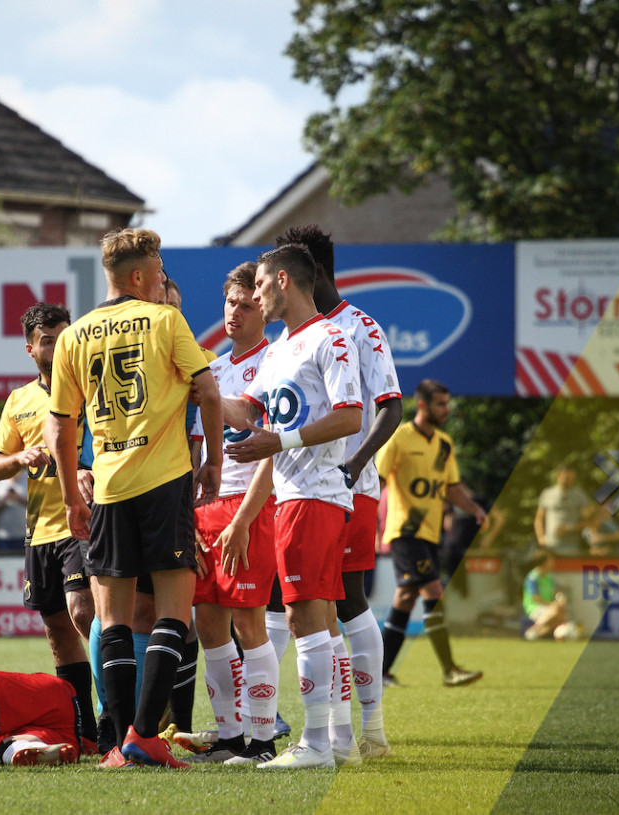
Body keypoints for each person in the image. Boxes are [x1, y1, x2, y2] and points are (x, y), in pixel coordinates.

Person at [44, 227, 223, 769]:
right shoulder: (167, 319)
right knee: (174, 612)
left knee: (112, 620)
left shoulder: (75, 335)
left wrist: (71, 486)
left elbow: (59, 425)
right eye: (160, 268)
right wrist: (212, 460)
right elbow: (208, 391)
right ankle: (147, 735)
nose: (163, 277)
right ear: (141, 275)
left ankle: (118, 744)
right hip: (166, 481)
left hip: (108, 487)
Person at [216, 243, 363, 769]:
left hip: (317, 494)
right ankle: (337, 742)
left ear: (283, 280)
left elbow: (350, 417)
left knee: (304, 620)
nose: (253, 297)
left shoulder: (331, 337)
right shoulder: (280, 349)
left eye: (258, 287)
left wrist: (280, 443)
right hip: (290, 496)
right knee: (318, 619)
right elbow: (244, 409)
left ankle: (316, 746)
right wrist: (199, 388)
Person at [275, 224, 400, 761]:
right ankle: (339, 737)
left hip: (351, 484)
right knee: (315, 607)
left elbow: (390, 406)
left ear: (313, 274)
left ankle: (371, 732)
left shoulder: (360, 328)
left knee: (346, 603)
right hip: (300, 489)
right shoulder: (293, 337)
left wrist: (354, 465)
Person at [180, 262, 280, 765]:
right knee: (210, 624)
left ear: (264, 307)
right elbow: (197, 449)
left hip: (254, 505)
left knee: (249, 624)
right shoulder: (212, 369)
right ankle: (230, 738)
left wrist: (243, 519)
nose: (236, 312)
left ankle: (263, 741)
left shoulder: (280, 360)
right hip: (207, 509)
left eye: (246, 303)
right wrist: (192, 515)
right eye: (230, 304)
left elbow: (275, 448)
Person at [0, 302, 98, 747]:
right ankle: (84, 730)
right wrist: (19, 457)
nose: (57, 346)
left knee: (85, 614)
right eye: (48, 339)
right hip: (40, 530)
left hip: (85, 523)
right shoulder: (19, 400)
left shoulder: (92, 387)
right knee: (58, 634)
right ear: (30, 348)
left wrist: (91, 468)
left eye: (64, 336)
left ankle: (117, 717)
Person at [376, 379, 485, 688]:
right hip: (405, 531)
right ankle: (450, 669)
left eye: (447, 403)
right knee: (433, 592)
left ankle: (379, 672)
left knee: (406, 597)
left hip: (430, 533)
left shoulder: (444, 444)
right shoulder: (398, 438)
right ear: (422, 404)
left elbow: (451, 487)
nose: (446, 409)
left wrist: (475, 509)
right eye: (440, 403)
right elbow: (378, 480)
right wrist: (365, 522)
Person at [534, 463, 593, 557]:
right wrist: (541, 538)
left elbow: (589, 522)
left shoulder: (580, 496)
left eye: (571, 478)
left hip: (572, 547)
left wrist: (569, 528)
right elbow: (539, 519)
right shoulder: (547, 494)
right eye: (565, 477)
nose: (568, 480)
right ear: (557, 475)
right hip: (550, 546)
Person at [522, 549, 567, 640]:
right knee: (555, 611)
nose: (552, 562)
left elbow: (554, 592)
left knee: (561, 614)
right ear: (544, 562)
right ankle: (533, 629)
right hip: (534, 607)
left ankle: (536, 635)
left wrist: (561, 598)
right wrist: (552, 604)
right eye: (550, 560)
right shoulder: (532, 578)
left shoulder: (548, 576)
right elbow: (535, 598)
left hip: (546, 607)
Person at [0, 470, 28, 550]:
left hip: (27, 536)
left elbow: (40, 507)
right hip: (4, 538)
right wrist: (2, 503)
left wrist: (19, 499)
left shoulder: (30, 477)